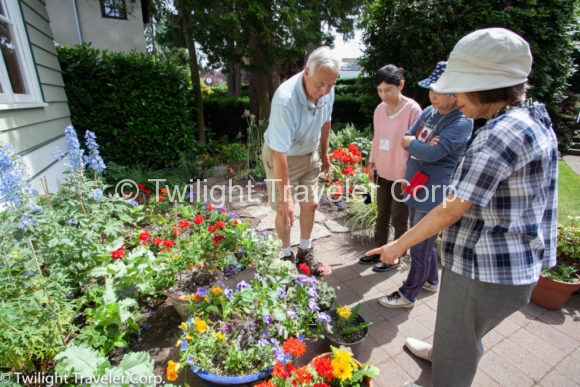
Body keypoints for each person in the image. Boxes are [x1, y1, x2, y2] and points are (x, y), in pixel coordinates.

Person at [366, 28, 558, 386]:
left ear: (485, 83)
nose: (452, 96)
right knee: (457, 331)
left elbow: (450, 210)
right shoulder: (532, 117)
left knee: (460, 347)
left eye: (458, 87)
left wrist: (396, 245)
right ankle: (443, 350)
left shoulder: (499, 134)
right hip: (512, 264)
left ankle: (447, 364)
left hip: (484, 267)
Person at [378, 61, 473, 309]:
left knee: (419, 244)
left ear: (455, 93)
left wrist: (417, 145)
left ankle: (409, 294)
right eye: (430, 90)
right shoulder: (430, 112)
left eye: (438, 91)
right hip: (415, 184)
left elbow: (433, 153)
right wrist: (420, 145)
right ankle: (431, 279)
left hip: (433, 191)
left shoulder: (461, 122)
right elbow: (407, 136)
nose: (432, 95)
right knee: (422, 236)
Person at [261, 46, 339, 276]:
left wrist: (324, 153)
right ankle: (285, 254)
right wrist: (285, 198)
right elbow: (279, 154)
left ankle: (305, 250)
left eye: (330, 85)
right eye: (320, 84)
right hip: (283, 157)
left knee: (311, 203)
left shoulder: (326, 89)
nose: (324, 90)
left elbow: (326, 122)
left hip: (309, 153)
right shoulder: (285, 100)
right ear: (307, 72)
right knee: (286, 211)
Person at [358, 64, 421, 272]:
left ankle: (394, 257)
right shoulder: (379, 109)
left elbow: (417, 146)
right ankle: (379, 251)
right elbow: (377, 138)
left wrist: (410, 178)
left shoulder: (413, 109)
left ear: (400, 85)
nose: (383, 95)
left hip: (402, 175)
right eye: (379, 90)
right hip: (383, 171)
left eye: (388, 90)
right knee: (382, 214)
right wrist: (371, 163)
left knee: (399, 217)